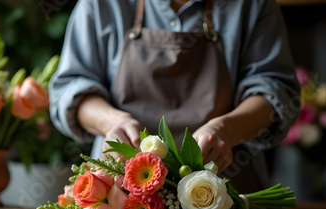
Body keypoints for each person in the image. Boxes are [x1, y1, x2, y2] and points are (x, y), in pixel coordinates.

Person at [49, 0, 300, 193]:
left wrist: (226, 129)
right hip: (116, 195)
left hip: (224, 195)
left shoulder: (253, 5)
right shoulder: (100, 4)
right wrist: (113, 123)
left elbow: (277, 92)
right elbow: (69, 88)